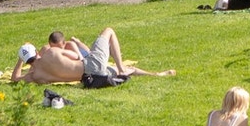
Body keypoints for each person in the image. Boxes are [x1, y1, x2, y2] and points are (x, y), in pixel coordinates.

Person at [10, 28, 173, 83]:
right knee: (109, 31)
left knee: (111, 68)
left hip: (89, 78)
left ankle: (154, 74)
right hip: (89, 66)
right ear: (37, 52)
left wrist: (19, 60)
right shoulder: (51, 52)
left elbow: (14, 79)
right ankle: (125, 69)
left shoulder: (35, 75)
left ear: (25, 62)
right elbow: (76, 57)